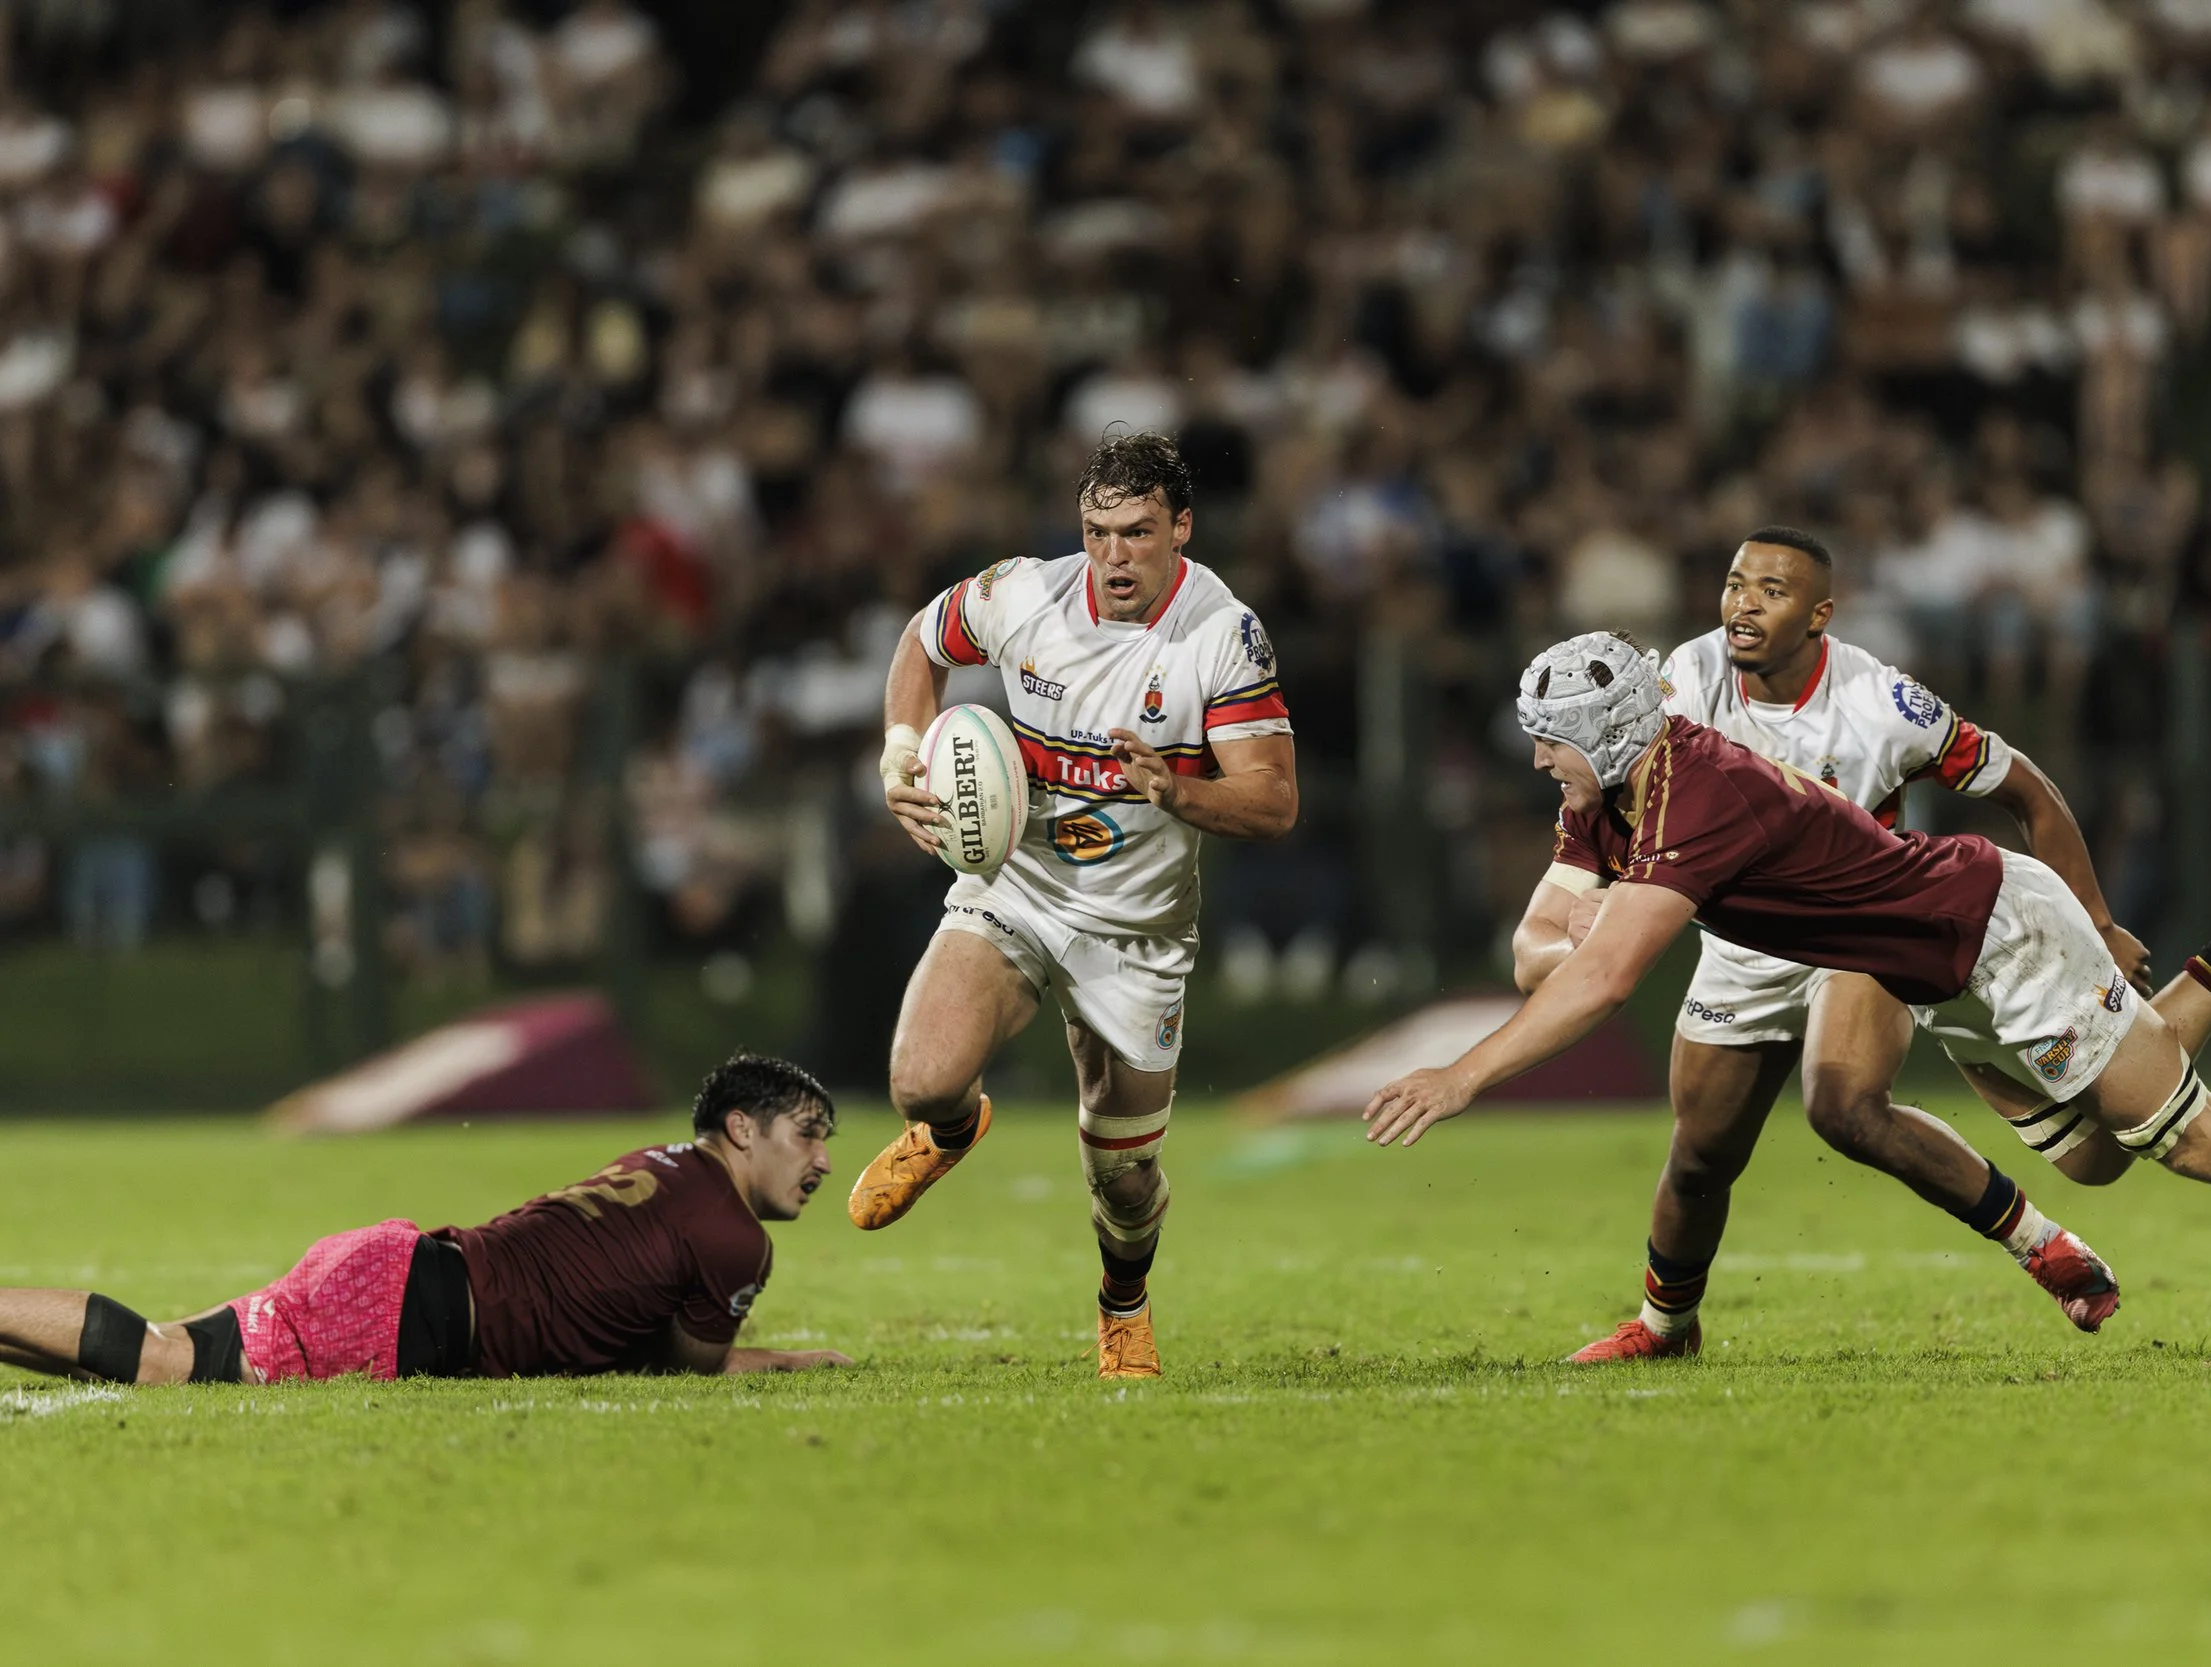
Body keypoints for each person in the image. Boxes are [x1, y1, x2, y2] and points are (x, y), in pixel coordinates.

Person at [1365, 636, 2211, 1362]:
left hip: (1994, 930)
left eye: (1547, 743)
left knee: (2188, 1136)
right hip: (1927, 965)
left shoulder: (1697, 793)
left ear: (1604, 738)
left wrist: (1459, 1072)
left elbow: (1604, 977)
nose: (1536, 762)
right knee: (2098, 1155)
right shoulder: (1614, 792)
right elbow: (1543, 954)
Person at [1524, 530, 2211, 1361]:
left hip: (1858, 929)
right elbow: (1621, 794)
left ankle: (2038, 1245)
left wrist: (2096, 919)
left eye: (1771, 590)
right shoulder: (1683, 673)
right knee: (1702, 1152)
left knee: (1842, 1105)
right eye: (1734, 585)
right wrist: (1590, 892)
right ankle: (1666, 1326)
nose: (1742, 607)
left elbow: (2030, 791)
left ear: (1821, 614)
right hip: (1741, 942)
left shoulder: (1882, 704)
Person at [859, 431, 1297, 1379]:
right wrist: (902, 746)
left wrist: (1179, 792)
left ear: (1181, 527)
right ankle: (949, 1128)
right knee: (920, 1078)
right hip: (1017, 884)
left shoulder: (1221, 636)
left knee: (1125, 1179)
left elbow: (1272, 800)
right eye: (1098, 532)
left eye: (1138, 533)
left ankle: (1122, 1306)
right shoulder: (1024, 594)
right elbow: (921, 642)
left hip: (1136, 935)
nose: (1114, 556)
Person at [0, 1054, 851, 1385]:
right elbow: (686, 1367)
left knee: (144, 1364)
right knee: (161, 1359)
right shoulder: (736, 1237)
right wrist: (786, 1360)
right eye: (809, 1134)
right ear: (742, 1128)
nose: (822, 1159)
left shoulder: (664, 1160)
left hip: (403, 1271)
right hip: (406, 1312)